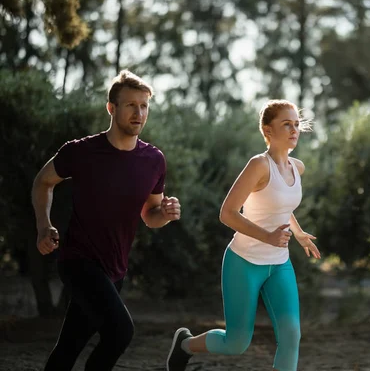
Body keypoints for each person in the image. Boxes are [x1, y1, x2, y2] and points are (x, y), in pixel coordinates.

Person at [32, 70, 181, 371]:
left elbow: (150, 216)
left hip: (115, 268)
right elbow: (42, 182)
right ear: (111, 108)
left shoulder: (154, 160)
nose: (139, 113)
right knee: (120, 331)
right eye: (130, 105)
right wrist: (43, 225)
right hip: (77, 261)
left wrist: (164, 214)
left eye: (144, 106)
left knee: (69, 347)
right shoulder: (81, 151)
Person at [166, 99, 321, 371]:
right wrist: (268, 237)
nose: (294, 130)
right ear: (268, 130)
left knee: (291, 336)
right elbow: (227, 213)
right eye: (287, 124)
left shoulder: (297, 167)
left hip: (279, 264)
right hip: (244, 262)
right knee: (237, 343)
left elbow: (282, 206)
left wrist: (297, 233)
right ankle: (185, 345)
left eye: (296, 124)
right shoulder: (258, 165)